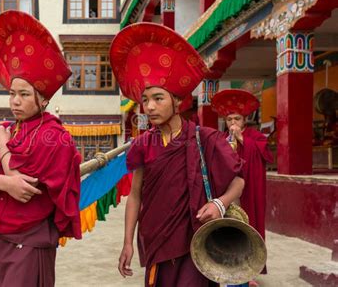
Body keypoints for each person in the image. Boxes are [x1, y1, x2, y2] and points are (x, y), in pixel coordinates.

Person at [110, 22, 245, 286]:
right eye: (145, 99)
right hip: (155, 242)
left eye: (158, 98)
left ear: (177, 101)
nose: (149, 106)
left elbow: (238, 181)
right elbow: (135, 194)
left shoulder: (205, 138)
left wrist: (220, 204)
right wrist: (127, 241)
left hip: (194, 241)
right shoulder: (143, 144)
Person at [0, 10, 82, 287]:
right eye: (11, 93)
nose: (15, 101)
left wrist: (2, 146)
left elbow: (20, 182)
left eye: (24, 94)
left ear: (42, 100)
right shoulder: (8, 128)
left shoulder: (55, 137)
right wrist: (5, 179)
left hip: (30, 242)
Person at [211, 89, 274, 250]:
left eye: (237, 119)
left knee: (250, 222)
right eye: (229, 119)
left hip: (249, 188)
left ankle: (251, 263)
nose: (233, 123)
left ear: (244, 120)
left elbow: (265, 156)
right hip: (227, 190)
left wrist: (241, 139)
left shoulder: (255, 136)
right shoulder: (220, 138)